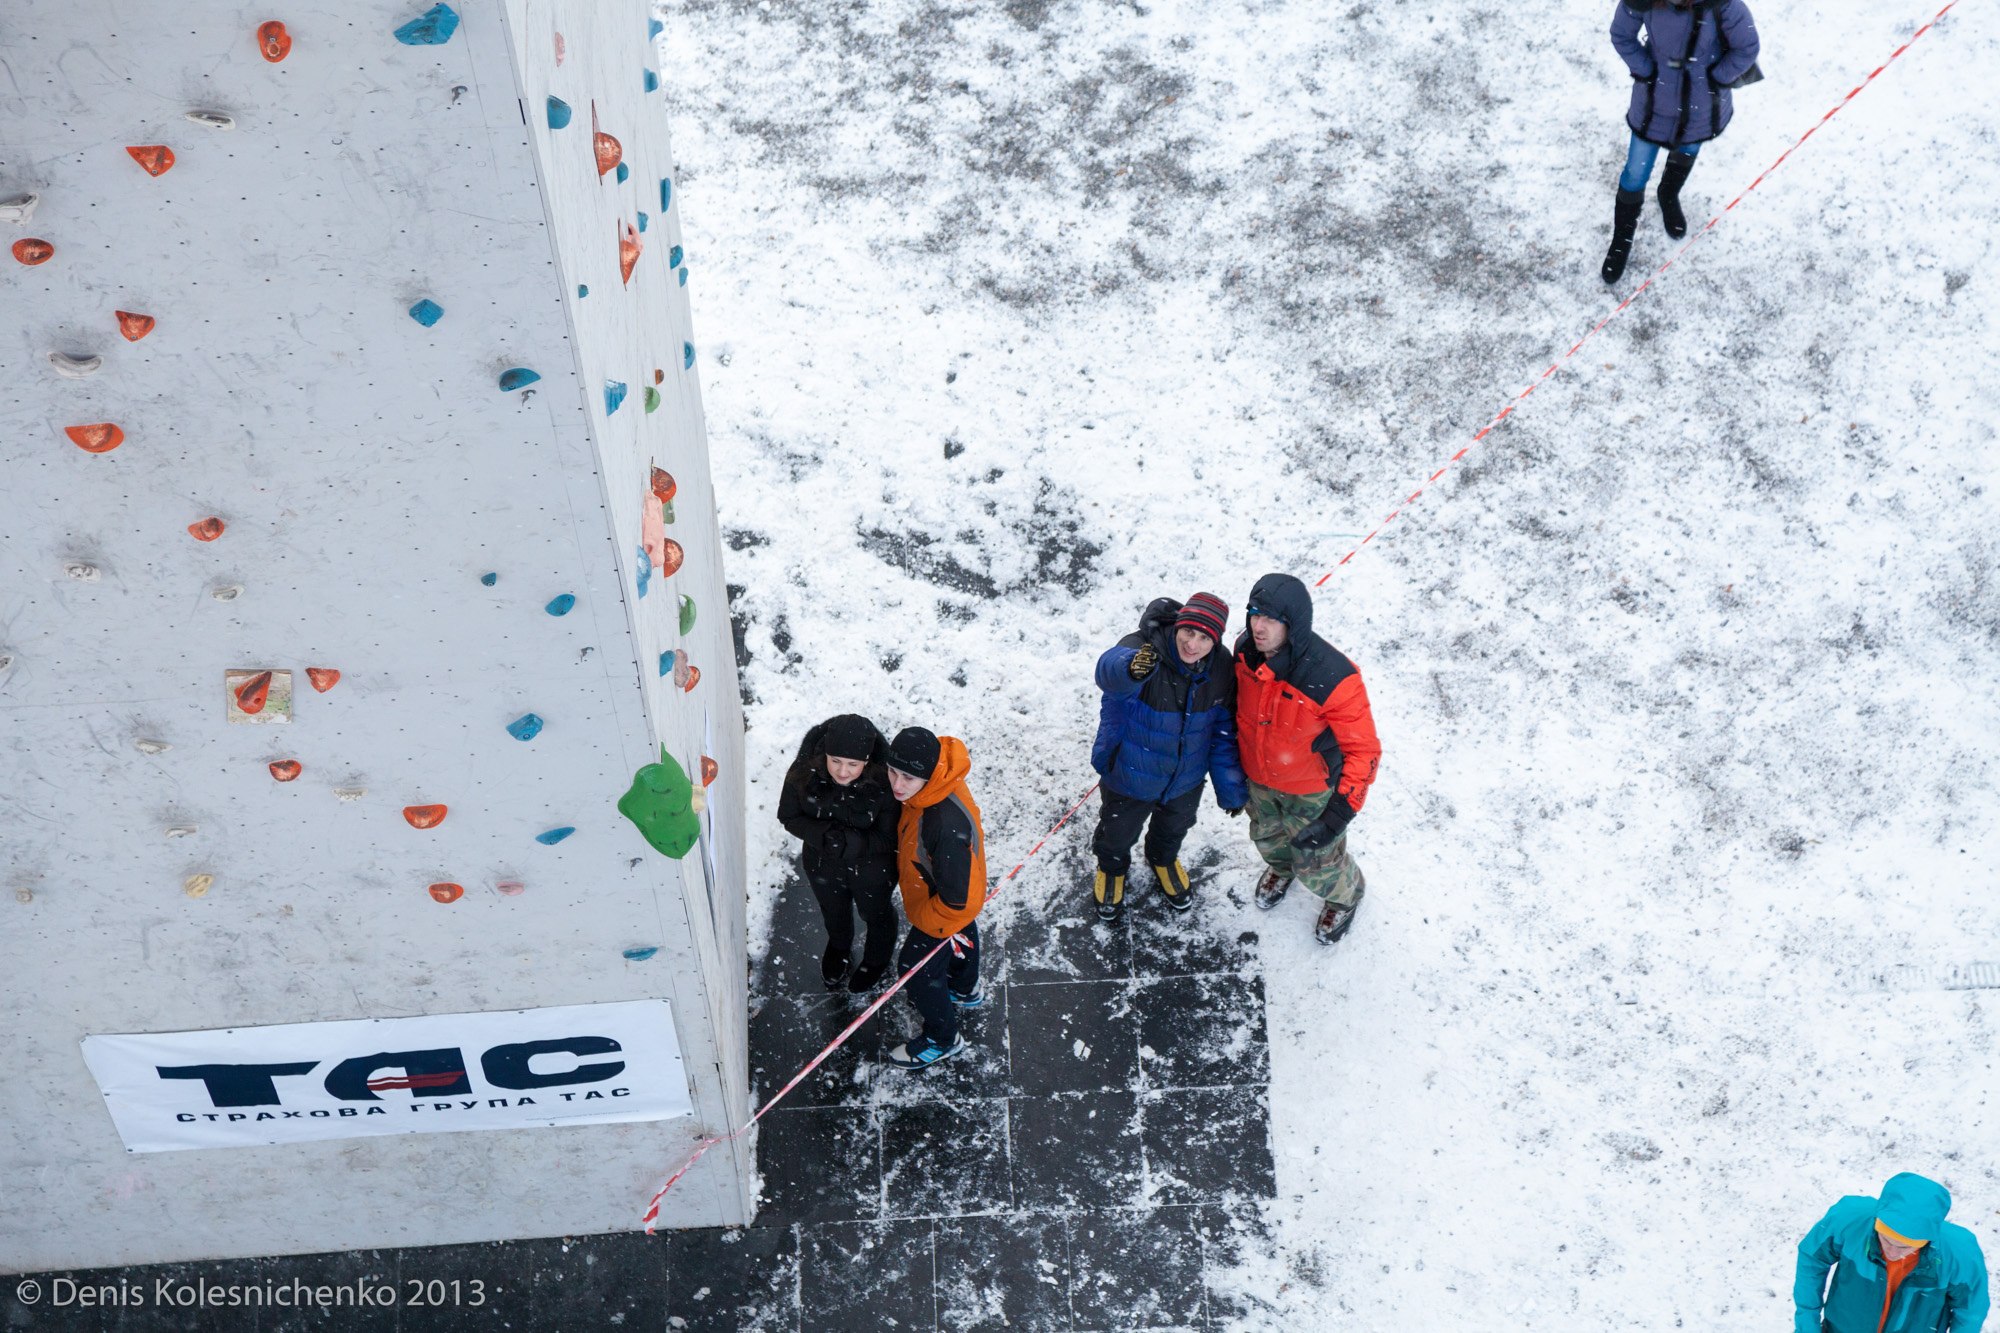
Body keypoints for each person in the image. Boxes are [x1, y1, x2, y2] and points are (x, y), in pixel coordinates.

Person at [1232, 573, 1382, 945]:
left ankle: (1345, 896)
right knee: (1267, 840)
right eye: (1254, 613)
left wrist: (1337, 815)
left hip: (1310, 790)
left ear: (1294, 623)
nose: (1258, 626)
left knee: (1318, 863)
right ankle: (1281, 869)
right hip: (1260, 782)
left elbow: (1364, 751)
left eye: (1271, 618)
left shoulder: (1333, 676)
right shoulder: (1244, 654)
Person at [1088, 592, 1249, 920]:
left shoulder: (1220, 669)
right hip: (1132, 772)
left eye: (1205, 638)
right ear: (1177, 626)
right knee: (1117, 832)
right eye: (1188, 632)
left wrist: (1231, 788)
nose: (1193, 644)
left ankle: (1162, 858)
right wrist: (1131, 670)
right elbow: (1109, 672)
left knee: (1174, 827)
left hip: (1185, 779)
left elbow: (1221, 731)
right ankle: (1112, 868)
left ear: (1215, 641)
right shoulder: (1144, 649)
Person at [1602, 0, 1761, 283]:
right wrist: (1646, 70)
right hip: (1653, 103)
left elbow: (1746, 47)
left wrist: (1715, 78)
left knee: (1687, 150)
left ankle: (1668, 194)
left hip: (1700, 105)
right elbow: (1621, 35)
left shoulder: (1723, 4)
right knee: (1635, 173)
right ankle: (1621, 241)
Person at [882, 726, 987, 1070]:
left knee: (915, 969)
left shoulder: (941, 822)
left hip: (944, 903)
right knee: (961, 930)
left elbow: (958, 903)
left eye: (908, 778)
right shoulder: (938, 783)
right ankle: (964, 988)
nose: (897, 785)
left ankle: (943, 1039)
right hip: (949, 894)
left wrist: (927, 922)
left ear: (929, 776)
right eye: (892, 771)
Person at [774, 714, 902, 993]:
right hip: (823, 864)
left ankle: (876, 960)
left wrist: (852, 842)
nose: (843, 772)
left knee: (877, 914)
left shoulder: (885, 783)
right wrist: (820, 834)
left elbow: (890, 835)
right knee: (833, 911)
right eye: (836, 761)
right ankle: (839, 946)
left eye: (853, 764)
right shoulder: (804, 772)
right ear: (825, 755)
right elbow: (788, 815)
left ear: (866, 762)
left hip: (873, 870)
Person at [1794, 1172, 1989, 1333]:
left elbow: (1971, 1311)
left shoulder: (1960, 1253)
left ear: (1928, 1240)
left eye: (1905, 1247)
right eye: (1885, 1239)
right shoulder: (1849, 1220)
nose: (1893, 1252)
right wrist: (1807, 1323)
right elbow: (1812, 1257)